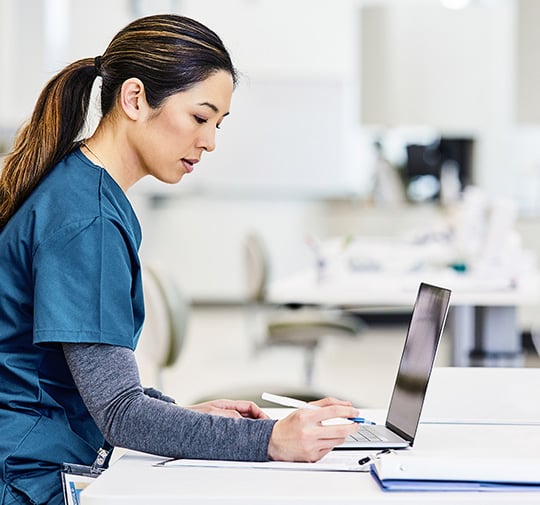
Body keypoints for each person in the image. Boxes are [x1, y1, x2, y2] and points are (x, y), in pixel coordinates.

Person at [0, 14, 360, 504]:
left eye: (217, 123)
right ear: (134, 99)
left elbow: (76, 384)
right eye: (200, 116)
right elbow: (119, 413)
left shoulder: (78, 187)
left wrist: (190, 417)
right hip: (30, 480)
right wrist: (270, 440)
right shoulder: (88, 220)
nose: (210, 141)